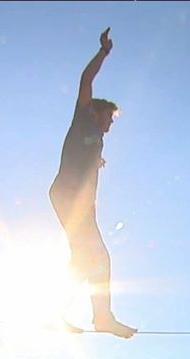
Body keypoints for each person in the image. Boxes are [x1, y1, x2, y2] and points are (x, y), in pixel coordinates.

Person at [49, 28, 137, 339]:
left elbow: (83, 156)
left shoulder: (95, 138)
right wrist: (103, 52)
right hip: (69, 197)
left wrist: (95, 162)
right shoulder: (84, 118)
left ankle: (57, 312)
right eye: (109, 119)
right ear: (97, 112)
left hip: (79, 203)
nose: (110, 126)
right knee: (97, 258)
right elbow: (86, 80)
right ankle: (101, 317)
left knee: (84, 259)